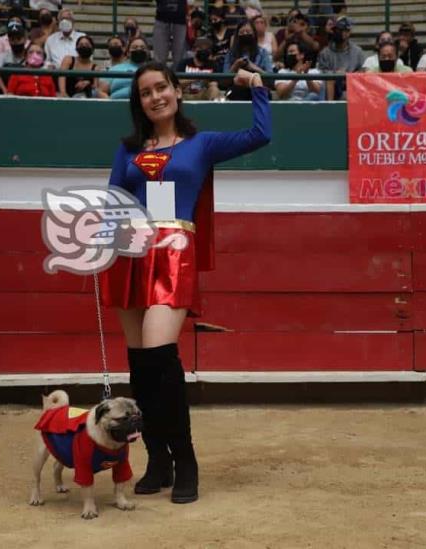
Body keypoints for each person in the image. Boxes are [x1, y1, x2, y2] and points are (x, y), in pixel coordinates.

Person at [100, 60, 272, 504]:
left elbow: (260, 136)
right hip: (130, 254)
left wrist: (255, 86)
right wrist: (96, 247)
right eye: (145, 92)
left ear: (177, 91)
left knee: (161, 358)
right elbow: (114, 201)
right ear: (138, 102)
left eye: (162, 87)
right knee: (140, 367)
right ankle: (158, 461)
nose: (155, 96)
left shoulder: (202, 143)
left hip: (174, 254)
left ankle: (186, 460)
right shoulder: (128, 149)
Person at [317, 16, 366, 100]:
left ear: (348, 32)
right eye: (338, 30)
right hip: (331, 89)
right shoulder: (325, 53)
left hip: (352, 87)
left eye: (344, 30)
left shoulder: (357, 52)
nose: (341, 33)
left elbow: (363, 71)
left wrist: (348, 75)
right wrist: (335, 73)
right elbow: (320, 73)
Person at [224, 19, 273, 100]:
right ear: (237, 35)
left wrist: (253, 67)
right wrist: (236, 65)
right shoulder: (230, 54)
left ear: (254, 34)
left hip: (258, 87)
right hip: (236, 89)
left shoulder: (263, 53)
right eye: (242, 32)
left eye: (248, 32)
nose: (245, 34)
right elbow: (224, 82)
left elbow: (271, 79)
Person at [153, 0, 187, 67]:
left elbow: (191, 3)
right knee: (160, 57)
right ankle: (160, 74)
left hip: (180, 21)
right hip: (161, 19)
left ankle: (178, 74)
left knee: (179, 57)